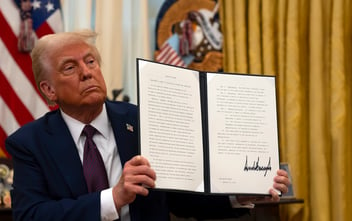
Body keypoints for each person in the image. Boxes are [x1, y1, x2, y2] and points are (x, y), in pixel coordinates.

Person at [5, 30, 290, 221]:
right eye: (70, 67)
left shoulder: (144, 120)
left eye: (91, 61)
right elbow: (30, 214)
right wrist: (113, 199)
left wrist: (238, 194)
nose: (87, 72)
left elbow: (182, 200)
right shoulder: (29, 142)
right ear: (49, 90)